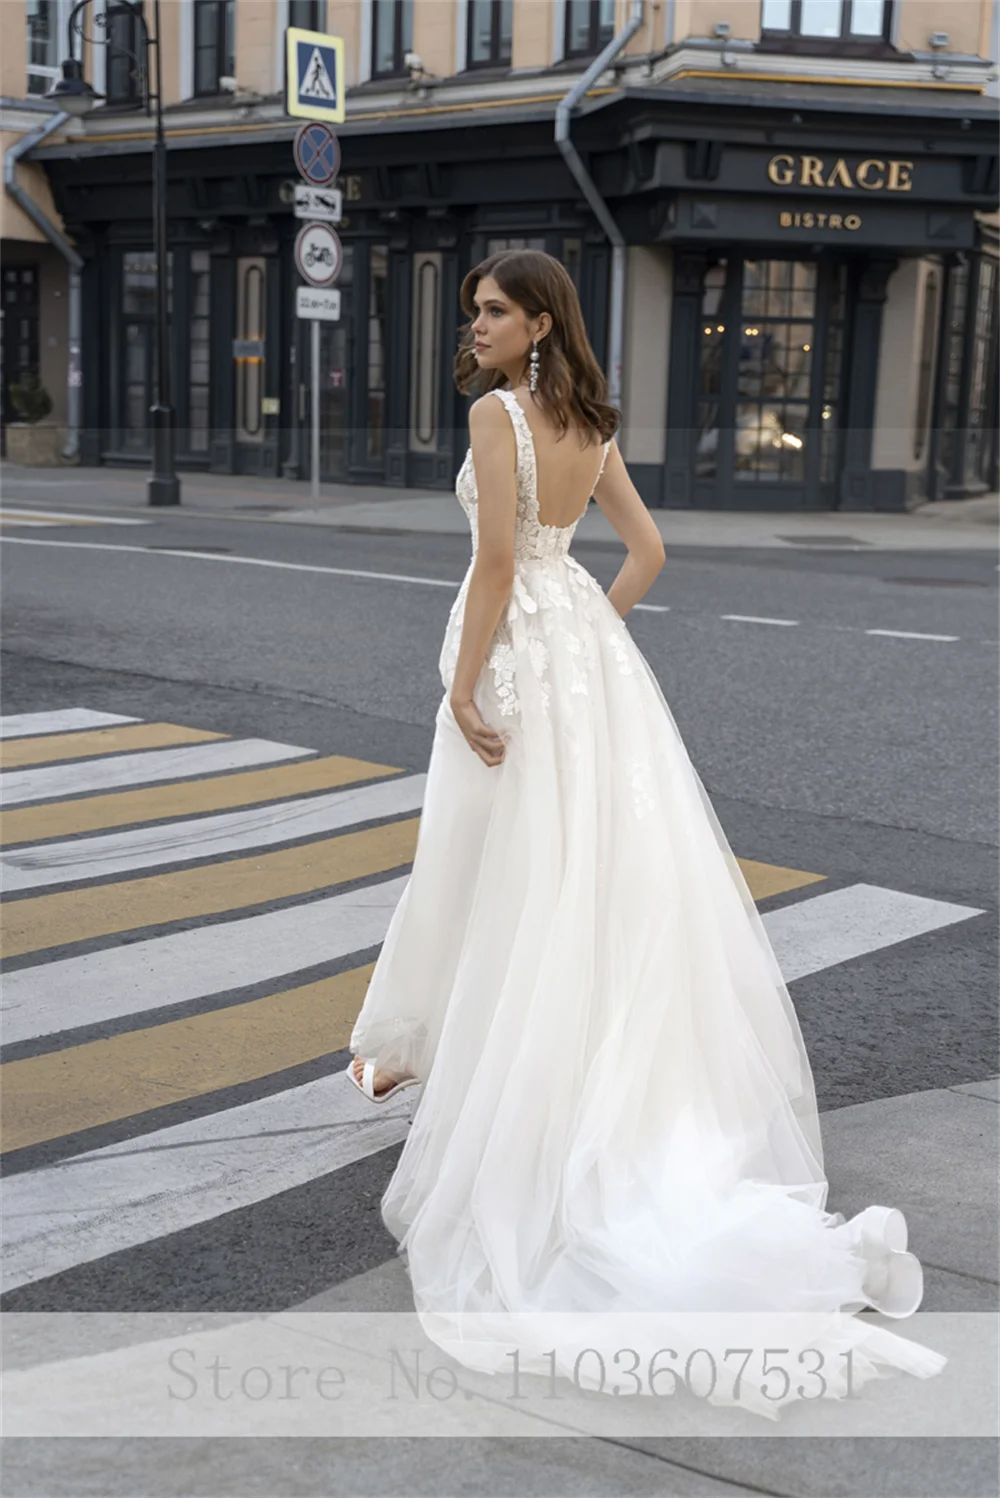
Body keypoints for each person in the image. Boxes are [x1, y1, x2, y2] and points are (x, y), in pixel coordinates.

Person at [346, 249, 948, 1419]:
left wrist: (473, 689)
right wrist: (588, 637)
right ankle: (425, 1050)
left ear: (535, 325)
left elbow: (490, 566)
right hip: (585, 664)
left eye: (491, 311)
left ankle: (428, 1055)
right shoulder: (592, 425)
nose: (473, 326)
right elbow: (647, 556)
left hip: (519, 666)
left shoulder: (497, 418)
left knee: (484, 866)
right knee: (593, 877)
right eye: (473, 310)